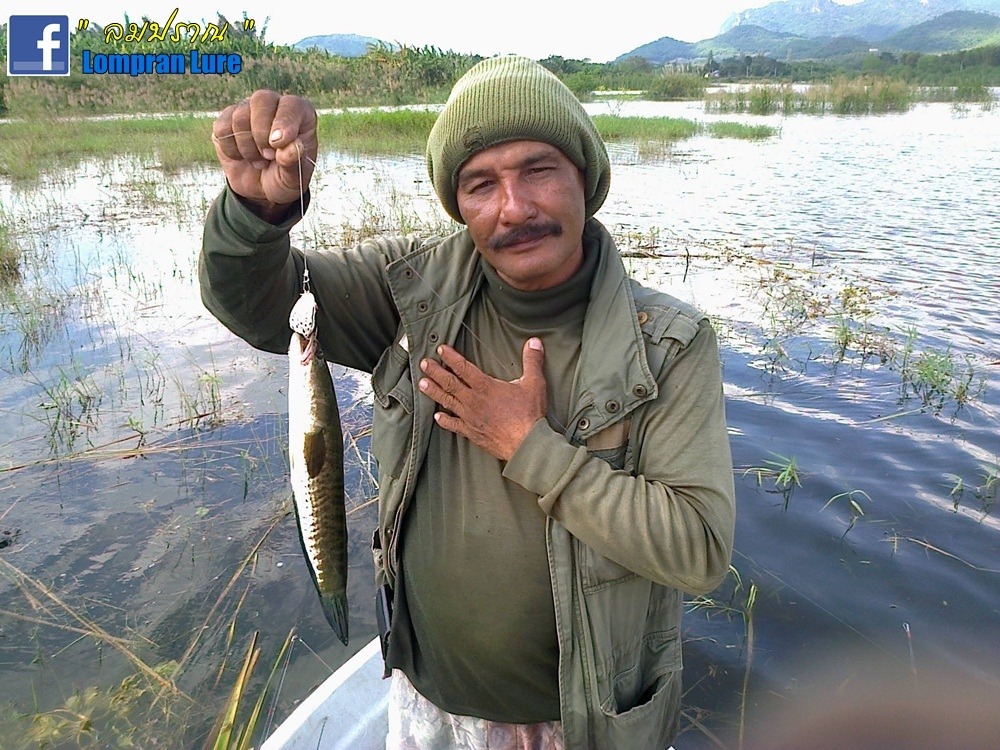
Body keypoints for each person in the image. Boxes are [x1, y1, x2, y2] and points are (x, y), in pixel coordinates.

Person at [199, 56, 735, 750]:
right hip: (426, 703)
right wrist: (258, 213)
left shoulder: (669, 345)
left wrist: (531, 448)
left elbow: (698, 550)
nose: (514, 208)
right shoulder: (406, 292)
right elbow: (258, 302)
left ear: (586, 178)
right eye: (480, 183)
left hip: (579, 727)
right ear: (457, 203)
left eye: (538, 169)